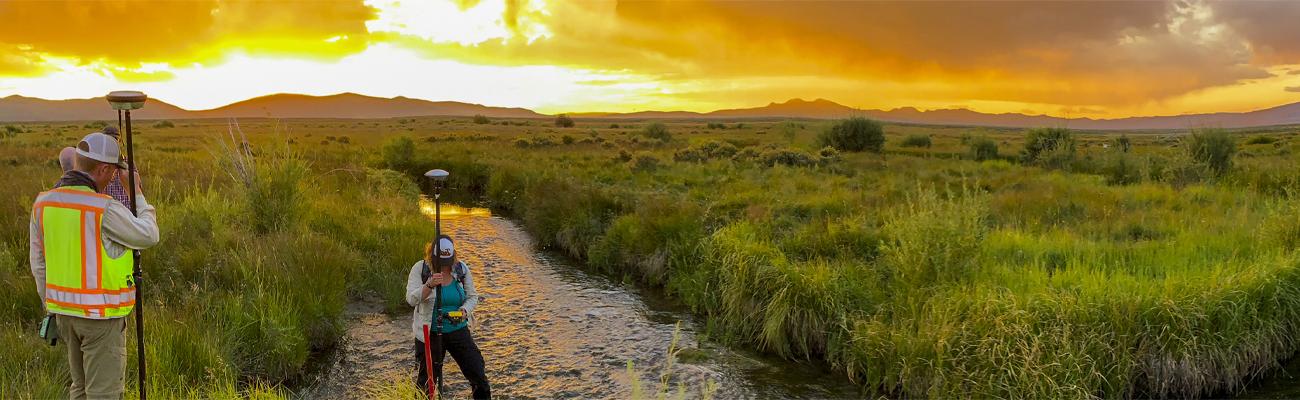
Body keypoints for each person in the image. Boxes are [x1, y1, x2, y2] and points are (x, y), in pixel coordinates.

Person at [30, 132, 160, 399]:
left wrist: (51, 306)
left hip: (64, 315)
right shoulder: (103, 209)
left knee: (80, 389)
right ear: (101, 168)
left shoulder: (43, 204)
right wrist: (136, 192)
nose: (114, 177)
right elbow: (149, 235)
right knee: (104, 394)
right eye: (112, 172)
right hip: (100, 318)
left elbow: (39, 264)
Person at [406, 235, 490, 399]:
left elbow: (472, 297)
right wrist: (428, 285)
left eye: (448, 260)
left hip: (458, 329)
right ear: (432, 254)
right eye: (441, 261)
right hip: (430, 333)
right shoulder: (420, 269)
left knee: (478, 374)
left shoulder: (461, 269)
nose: (445, 265)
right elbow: (411, 300)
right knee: (426, 384)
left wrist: (464, 311)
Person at [57, 127, 131, 206]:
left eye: (115, 140)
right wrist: (137, 193)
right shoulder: (104, 207)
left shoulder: (46, 197)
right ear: (104, 169)